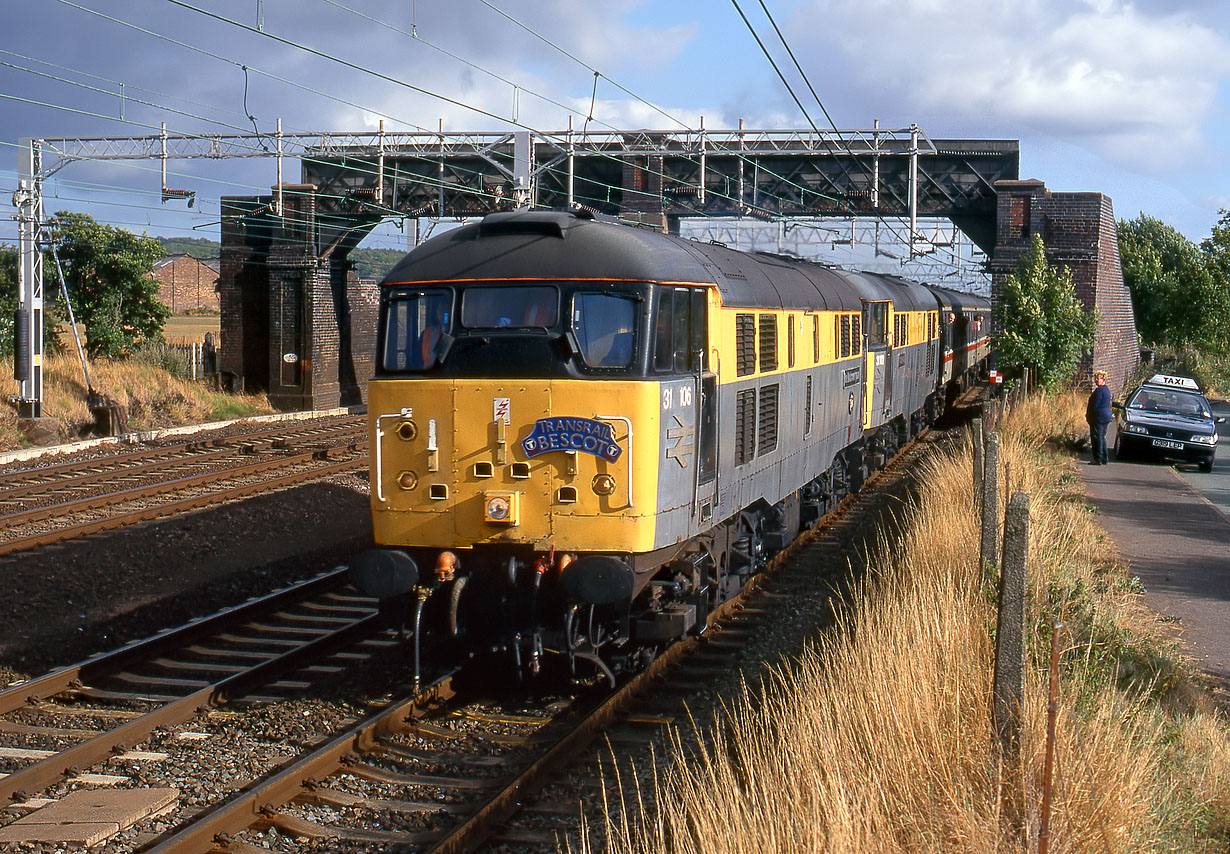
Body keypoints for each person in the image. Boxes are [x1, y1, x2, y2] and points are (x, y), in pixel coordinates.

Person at [1086, 370, 1112, 465]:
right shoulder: (1106, 390)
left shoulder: (1100, 391)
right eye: (1095, 378)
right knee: (1101, 437)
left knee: (1097, 438)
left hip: (1099, 417)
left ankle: (1098, 459)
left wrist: (1089, 416)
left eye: (1098, 378)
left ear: (1104, 379)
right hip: (1105, 417)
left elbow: (1094, 405)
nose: (1096, 380)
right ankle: (1104, 458)